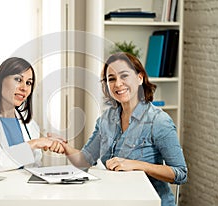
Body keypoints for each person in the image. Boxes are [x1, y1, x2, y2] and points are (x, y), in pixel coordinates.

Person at [56, 52, 187, 206]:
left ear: (140, 78)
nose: (118, 84)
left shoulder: (158, 121)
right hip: (115, 199)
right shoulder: (106, 119)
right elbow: (85, 160)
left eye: (124, 76)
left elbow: (180, 174)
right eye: (111, 79)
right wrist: (65, 148)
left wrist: (137, 165)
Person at [0, 57, 63, 172]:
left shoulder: (29, 125)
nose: (24, 88)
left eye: (29, 83)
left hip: (26, 188)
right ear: (0, 81)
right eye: (18, 80)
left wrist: (51, 143)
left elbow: (35, 166)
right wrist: (34, 143)